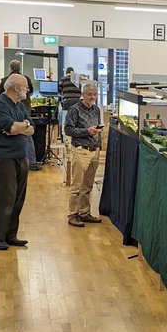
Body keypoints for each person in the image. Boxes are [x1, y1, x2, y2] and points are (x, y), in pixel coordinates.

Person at [0, 75, 35, 250]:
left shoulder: (20, 106)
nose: (27, 89)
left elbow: (31, 129)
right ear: (15, 88)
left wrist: (20, 126)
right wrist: (20, 127)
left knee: (19, 198)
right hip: (4, 157)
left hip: (21, 156)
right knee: (7, 197)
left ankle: (11, 234)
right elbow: (10, 127)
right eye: (25, 86)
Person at [64, 83, 103, 227]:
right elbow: (68, 130)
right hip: (81, 151)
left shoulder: (96, 110)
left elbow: (97, 128)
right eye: (89, 94)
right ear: (83, 94)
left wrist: (98, 143)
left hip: (94, 151)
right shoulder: (74, 110)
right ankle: (72, 214)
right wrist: (87, 131)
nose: (92, 97)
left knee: (88, 186)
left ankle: (84, 213)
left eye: (94, 94)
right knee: (77, 186)